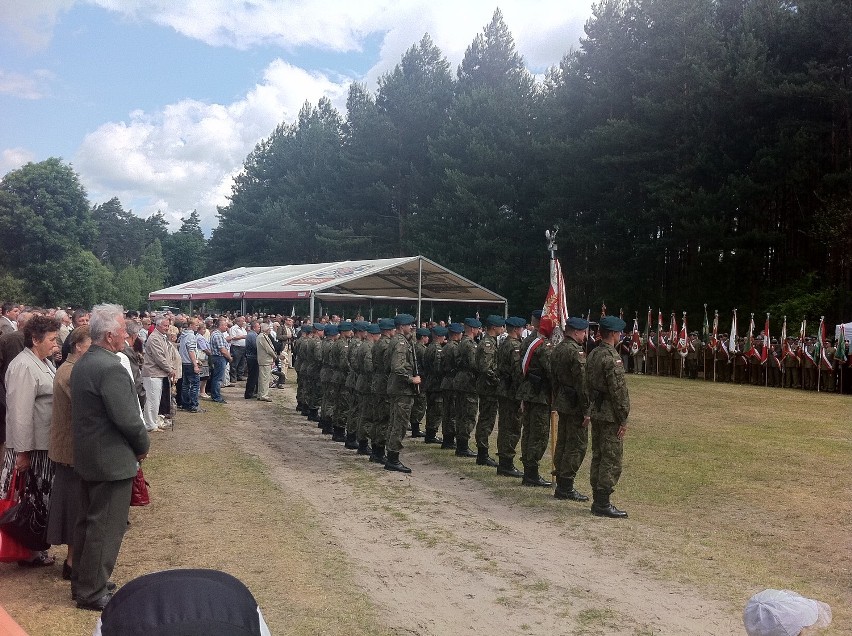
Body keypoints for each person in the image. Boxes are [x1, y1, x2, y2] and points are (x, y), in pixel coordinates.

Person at [70, 303, 150, 611]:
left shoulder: (85, 363)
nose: (126, 336)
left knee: (88, 524)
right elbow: (129, 419)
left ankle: (85, 581)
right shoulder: (109, 367)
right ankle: (91, 591)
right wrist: (142, 445)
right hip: (110, 461)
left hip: (91, 457)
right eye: (121, 331)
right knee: (105, 527)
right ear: (108, 335)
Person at [0, 313, 61, 567]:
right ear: (35, 340)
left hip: (42, 447)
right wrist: (23, 453)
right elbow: (20, 413)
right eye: (52, 339)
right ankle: (29, 551)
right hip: (30, 449)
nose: (56, 344)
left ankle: (33, 549)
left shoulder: (43, 362)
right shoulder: (24, 366)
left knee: (37, 501)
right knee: (27, 501)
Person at [47, 325, 91, 580]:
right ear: (78, 346)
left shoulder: (72, 370)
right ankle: (73, 563)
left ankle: (75, 561)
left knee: (77, 507)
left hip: (71, 451)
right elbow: (84, 405)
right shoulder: (69, 371)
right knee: (75, 508)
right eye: (90, 344)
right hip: (69, 452)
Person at [586, 315, 630, 518]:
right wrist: (623, 417)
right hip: (610, 414)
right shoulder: (612, 357)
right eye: (618, 332)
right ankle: (603, 503)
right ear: (612, 334)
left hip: (597, 410)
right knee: (611, 458)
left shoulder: (593, 353)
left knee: (598, 455)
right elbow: (618, 391)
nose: (620, 335)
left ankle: (598, 498)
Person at [551, 316, 592, 501]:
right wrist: (587, 410)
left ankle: (561, 480)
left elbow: (553, 377)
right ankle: (566, 486)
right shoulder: (576, 352)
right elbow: (582, 384)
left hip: (562, 400)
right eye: (584, 332)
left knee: (563, 442)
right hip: (575, 404)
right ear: (576, 332)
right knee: (576, 445)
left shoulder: (558, 348)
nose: (585, 335)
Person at [516, 315, 555, 487]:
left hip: (528, 391)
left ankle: (528, 471)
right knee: (538, 434)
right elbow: (550, 370)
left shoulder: (527, 341)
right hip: (539, 394)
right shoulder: (542, 344)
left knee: (529, 432)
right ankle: (531, 473)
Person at [384, 314, 420, 473]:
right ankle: (392, 459)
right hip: (401, 389)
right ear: (401, 326)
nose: (412, 327)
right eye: (409, 325)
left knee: (395, 422)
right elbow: (397, 367)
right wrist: (411, 379)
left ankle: (391, 456)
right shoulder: (400, 343)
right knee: (399, 424)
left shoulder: (401, 341)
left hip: (398, 388)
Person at [495, 317, 526, 478]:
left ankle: (504, 462)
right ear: (516, 329)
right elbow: (517, 373)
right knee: (512, 427)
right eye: (521, 329)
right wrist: (521, 395)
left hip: (504, 389)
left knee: (505, 426)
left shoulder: (504, 343)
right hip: (511, 391)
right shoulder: (514, 346)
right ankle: (506, 463)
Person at [474, 315, 504, 467]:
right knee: (487, 419)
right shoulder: (488, 344)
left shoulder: (490, 342)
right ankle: (482, 453)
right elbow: (486, 368)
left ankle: (482, 452)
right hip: (488, 388)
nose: (502, 329)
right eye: (501, 326)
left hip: (488, 387)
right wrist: (497, 381)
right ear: (494, 327)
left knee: (487, 419)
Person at [452, 317, 481, 458]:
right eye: (477, 328)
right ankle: (463, 446)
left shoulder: (461, 342)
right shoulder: (470, 345)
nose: (479, 331)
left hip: (461, 380)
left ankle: (461, 445)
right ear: (473, 329)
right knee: (468, 414)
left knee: (461, 413)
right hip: (468, 382)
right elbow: (474, 364)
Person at [141, 317, 174, 431]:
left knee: (156, 400)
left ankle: (154, 422)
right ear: (158, 326)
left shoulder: (161, 337)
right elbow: (159, 357)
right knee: (151, 400)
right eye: (165, 325)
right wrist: (170, 369)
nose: (167, 328)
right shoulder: (155, 338)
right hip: (152, 373)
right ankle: (150, 424)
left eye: (168, 325)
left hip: (158, 373)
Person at [178, 318, 202, 413]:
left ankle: (185, 403)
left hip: (183, 362)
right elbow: (191, 350)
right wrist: (195, 364)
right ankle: (193, 405)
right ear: (191, 325)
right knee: (195, 384)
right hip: (189, 363)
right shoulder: (191, 336)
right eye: (196, 324)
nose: (197, 326)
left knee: (185, 384)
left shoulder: (183, 335)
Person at [209, 318, 232, 404]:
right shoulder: (217, 335)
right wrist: (230, 357)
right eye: (225, 325)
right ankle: (216, 396)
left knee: (217, 377)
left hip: (219, 358)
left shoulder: (218, 334)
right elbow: (222, 350)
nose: (226, 327)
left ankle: (215, 394)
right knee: (218, 378)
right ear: (221, 325)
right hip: (219, 358)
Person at [256, 323, 277, 402]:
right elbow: (268, 349)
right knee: (265, 378)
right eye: (269, 329)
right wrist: (275, 356)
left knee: (262, 378)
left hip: (264, 360)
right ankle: (264, 395)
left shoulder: (261, 336)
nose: (270, 331)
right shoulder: (262, 337)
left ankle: (260, 393)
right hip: (265, 360)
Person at [243, 320, 260, 399]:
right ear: (254, 327)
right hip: (252, 358)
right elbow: (256, 346)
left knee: (254, 376)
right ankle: (249, 393)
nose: (259, 328)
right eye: (258, 327)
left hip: (252, 357)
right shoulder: (252, 335)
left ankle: (252, 391)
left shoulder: (252, 334)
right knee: (252, 376)